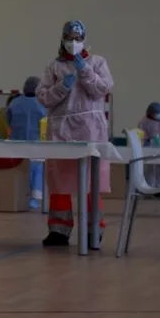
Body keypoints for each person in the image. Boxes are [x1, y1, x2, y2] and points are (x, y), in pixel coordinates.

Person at [37, 20, 113, 248]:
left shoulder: (97, 62)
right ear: (62, 39)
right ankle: (58, 231)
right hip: (60, 130)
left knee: (91, 183)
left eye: (78, 39)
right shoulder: (54, 66)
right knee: (59, 182)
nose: (73, 43)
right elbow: (43, 97)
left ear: (84, 40)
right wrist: (63, 86)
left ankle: (93, 231)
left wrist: (85, 71)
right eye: (69, 38)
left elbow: (103, 89)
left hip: (90, 130)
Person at [7, 76, 47, 209]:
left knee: (21, 170)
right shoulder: (43, 104)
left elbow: (8, 121)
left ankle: (19, 195)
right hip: (38, 144)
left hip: (17, 144)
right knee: (37, 170)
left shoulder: (14, 103)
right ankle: (35, 198)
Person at [138, 102, 160, 186]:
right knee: (151, 169)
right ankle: (150, 187)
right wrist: (149, 141)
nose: (157, 115)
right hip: (150, 147)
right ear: (150, 113)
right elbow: (142, 135)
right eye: (155, 113)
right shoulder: (143, 122)